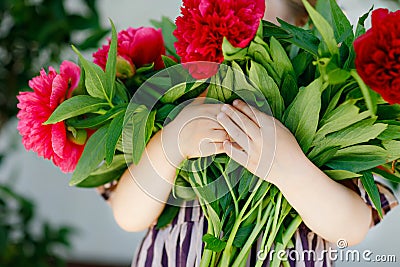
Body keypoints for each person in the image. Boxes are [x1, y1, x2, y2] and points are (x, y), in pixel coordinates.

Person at [98, 0, 398, 266]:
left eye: (253, 34)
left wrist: (291, 168)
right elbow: (128, 216)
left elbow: (352, 230)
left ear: (304, 26)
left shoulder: (331, 110)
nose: (236, 52)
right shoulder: (177, 98)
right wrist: (169, 144)